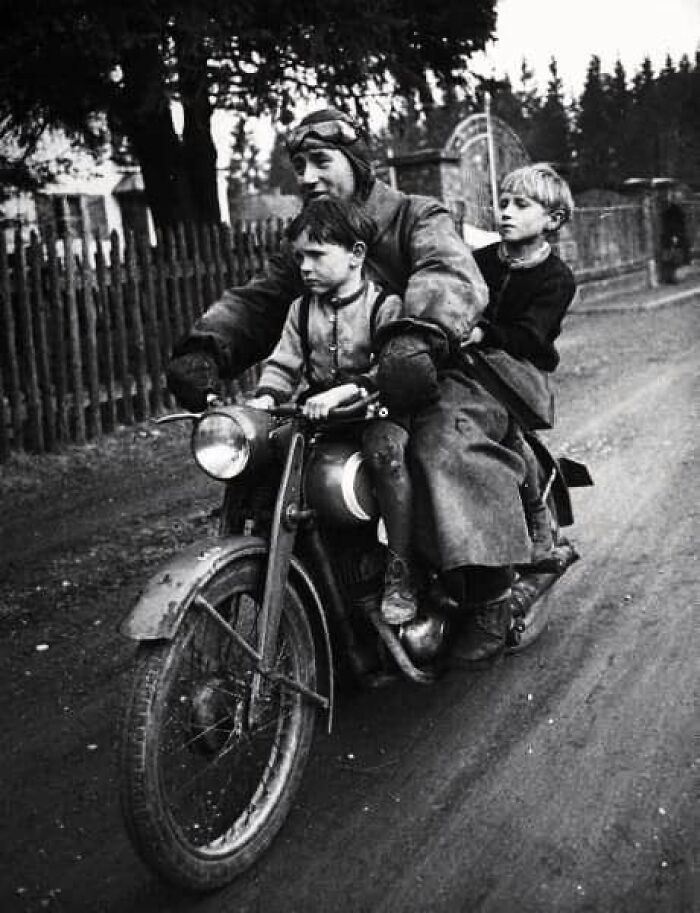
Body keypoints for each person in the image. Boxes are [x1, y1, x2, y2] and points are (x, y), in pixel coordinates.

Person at [166, 107, 534, 668]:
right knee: (274, 464)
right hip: (339, 391)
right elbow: (262, 299)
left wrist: (415, 336)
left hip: (432, 373)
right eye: (300, 166)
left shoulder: (416, 214)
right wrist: (208, 345)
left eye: (321, 161)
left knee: (441, 450)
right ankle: (329, 593)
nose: (308, 177)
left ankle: (489, 593)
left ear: (359, 163)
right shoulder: (318, 239)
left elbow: (449, 273)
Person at [247, 197, 418, 625]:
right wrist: (266, 397)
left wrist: (349, 391)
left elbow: (388, 368)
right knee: (267, 456)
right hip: (321, 416)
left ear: (356, 255)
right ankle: (280, 560)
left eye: (317, 255)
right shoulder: (301, 310)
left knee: (388, 457)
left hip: (374, 411)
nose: (305, 267)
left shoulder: (385, 306)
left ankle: (401, 571)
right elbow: (284, 363)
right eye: (300, 257)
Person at [468, 163, 576, 568]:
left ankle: (535, 515)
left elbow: (532, 335)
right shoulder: (479, 260)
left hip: (522, 373)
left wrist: (484, 334)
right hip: (471, 362)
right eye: (504, 203)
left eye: (521, 205)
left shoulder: (556, 277)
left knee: (506, 427)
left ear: (552, 219)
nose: (506, 212)